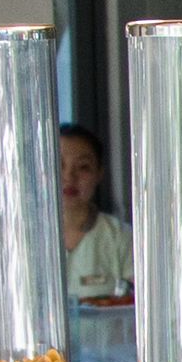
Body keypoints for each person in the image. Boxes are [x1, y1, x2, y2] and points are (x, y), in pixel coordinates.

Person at [59, 122, 132, 302]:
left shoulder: (121, 238)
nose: (69, 176)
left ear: (99, 173)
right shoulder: (22, 239)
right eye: (58, 164)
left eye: (83, 167)